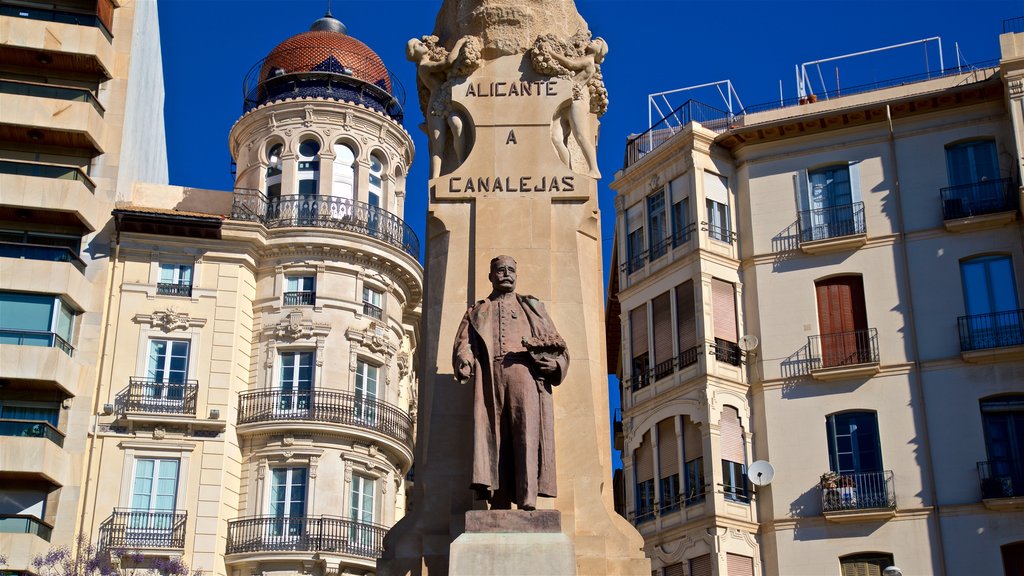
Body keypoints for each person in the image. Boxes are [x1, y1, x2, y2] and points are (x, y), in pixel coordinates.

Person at [453, 256, 569, 510]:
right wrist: (464, 360)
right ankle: (500, 499)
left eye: (511, 270)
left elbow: (559, 347)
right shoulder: (478, 310)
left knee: (526, 434)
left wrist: (556, 365)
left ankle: (528, 498)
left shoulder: (533, 308)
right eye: (500, 270)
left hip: (525, 376)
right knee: (495, 436)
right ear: (491, 276)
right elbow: (464, 343)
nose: (506, 274)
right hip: (490, 377)